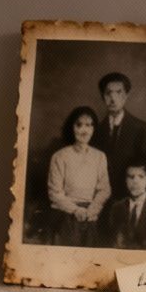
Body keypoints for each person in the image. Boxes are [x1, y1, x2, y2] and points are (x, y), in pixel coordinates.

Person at [44, 105, 109, 247]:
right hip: (65, 213)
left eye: (89, 125)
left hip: (90, 214)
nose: (84, 130)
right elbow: (55, 193)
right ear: (71, 127)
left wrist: (92, 209)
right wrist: (76, 210)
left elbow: (104, 189)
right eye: (79, 125)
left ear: (94, 129)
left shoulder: (100, 157)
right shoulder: (60, 156)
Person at [90, 72, 146, 198]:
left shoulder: (141, 129)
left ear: (126, 96)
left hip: (132, 199)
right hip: (100, 200)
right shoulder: (95, 131)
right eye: (108, 93)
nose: (113, 98)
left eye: (119, 92)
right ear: (103, 96)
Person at [99, 162, 146, 252]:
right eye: (131, 177)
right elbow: (111, 244)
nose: (135, 182)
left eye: (141, 176)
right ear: (126, 180)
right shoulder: (116, 208)